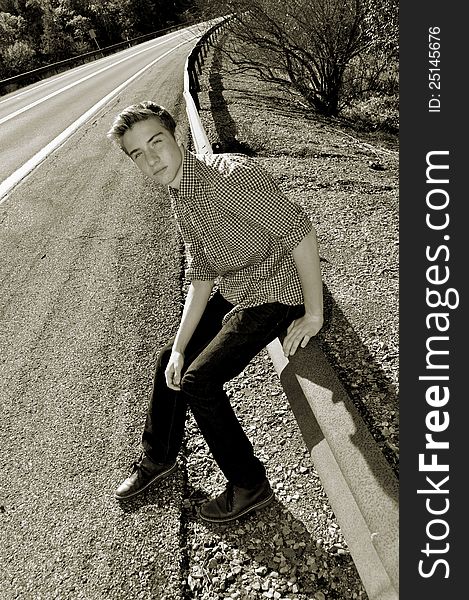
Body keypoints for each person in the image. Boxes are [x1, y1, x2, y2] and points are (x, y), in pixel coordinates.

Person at [106, 101, 323, 523]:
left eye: (156, 143)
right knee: (170, 358)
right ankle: (159, 456)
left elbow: (300, 232)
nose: (151, 160)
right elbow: (203, 271)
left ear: (176, 136)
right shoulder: (178, 188)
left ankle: (249, 484)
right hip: (238, 286)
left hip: (276, 290)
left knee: (198, 381)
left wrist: (314, 313)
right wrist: (180, 345)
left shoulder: (232, 178)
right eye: (138, 154)